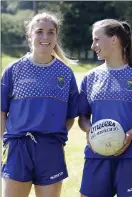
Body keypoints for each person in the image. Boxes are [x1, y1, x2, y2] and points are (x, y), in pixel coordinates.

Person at [78, 19, 132, 197]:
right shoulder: (90, 77)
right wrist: (90, 131)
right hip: (97, 155)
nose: (93, 46)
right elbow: (83, 117)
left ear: (114, 39)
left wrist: (131, 134)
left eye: (97, 39)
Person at [1, 12, 79, 197]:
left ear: (56, 36)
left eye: (51, 32)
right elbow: (2, 110)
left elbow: (70, 116)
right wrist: (6, 141)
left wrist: (54, 140)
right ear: (30, 36)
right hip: (17, 147)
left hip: (51, 147)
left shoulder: (65, 73)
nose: (45, 37)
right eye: (40, 31)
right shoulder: (13, 70)